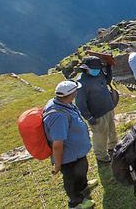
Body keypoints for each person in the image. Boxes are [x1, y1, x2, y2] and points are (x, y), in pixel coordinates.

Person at [43, 80, 97, 209]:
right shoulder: (58, 116)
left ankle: (84, 185)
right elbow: (57, 143)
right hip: (68, 157)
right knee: (71, 179)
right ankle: (76, 203)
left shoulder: (64, 103)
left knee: (81, 169)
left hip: (77, 152)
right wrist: (57, 164)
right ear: (72, 94)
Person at [75, 56, 118, 164]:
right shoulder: (81, 82)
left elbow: (107, 80)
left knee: (112, 130)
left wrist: (108, 67)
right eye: (94, 69)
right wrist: (88, 117)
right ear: (86, 68)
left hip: (108, 107)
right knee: (100, 135)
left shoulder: (99, 73)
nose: (97, 70)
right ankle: (101, 156)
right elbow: (80, 102)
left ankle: (113, 147)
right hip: (97, 113)